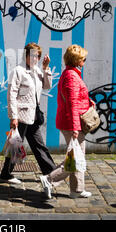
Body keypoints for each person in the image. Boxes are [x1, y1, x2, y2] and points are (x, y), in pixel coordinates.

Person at [39, 44, 92, 199]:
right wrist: (75, 127)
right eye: (83, 58)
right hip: (72, 123)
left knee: (77, 157)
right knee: (75, 159)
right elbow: (71, 103)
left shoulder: (72, 74)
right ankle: (49, 179)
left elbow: (75, 99)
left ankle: (76, 190)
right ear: (77, 60)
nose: (85, 60)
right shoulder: (71, 76)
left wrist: (88, 102)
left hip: (72, 121)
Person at [0, 42, 56, 184]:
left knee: (39, 145)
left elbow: (47, 86)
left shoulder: (37, 71)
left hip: (33, 115)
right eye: (32, 55)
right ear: (26, 55)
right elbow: (11, 94)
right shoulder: (18, 71)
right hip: (21, 116)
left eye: (37, 56)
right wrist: (13, 117)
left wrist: (45, 68)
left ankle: (51, 172)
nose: (35, 59)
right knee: (15, 145)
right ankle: (6, 174)